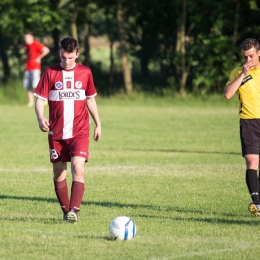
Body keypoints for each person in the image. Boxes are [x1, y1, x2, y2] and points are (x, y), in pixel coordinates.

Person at [34, 36, 101, 223]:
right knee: (59, 173)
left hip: (80, 131)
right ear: (59, 54)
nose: (67, 61)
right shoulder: (50, 73)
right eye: (63, 57)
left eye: (71, 58)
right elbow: (40, 99)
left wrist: (98, 123)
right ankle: (66, 212)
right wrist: (40, 117)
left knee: (78, 168)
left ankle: (74, 211)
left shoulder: (85, 73)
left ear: (77, 54)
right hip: (56, 132)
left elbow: (90, 99)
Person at [224, 38, 260, 217]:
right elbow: (228, 94)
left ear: (259, 53)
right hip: (248, 122)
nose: (248, 61)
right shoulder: (238, 72)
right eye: (245, 57)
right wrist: (241, 76)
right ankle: (257, 204)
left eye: (251, 56)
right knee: (252, 162)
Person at [23, 31, 50, 107]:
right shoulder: (26, 46)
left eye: (28, 37)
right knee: (28, 86)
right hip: (27, 68)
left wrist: (39, 58)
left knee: (36, 85)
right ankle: (31, 102)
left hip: (35, 68)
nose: (26, 39)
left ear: (32, 37)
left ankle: (44, 99)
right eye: (25, 38)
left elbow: (46, 50)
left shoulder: (35, 44)